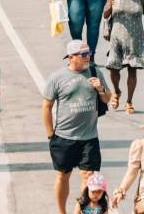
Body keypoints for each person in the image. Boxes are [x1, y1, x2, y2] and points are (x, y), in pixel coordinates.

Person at [42, 40, 110, 214]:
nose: (89, 57)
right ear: (71, 57)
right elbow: (46, 106)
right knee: (63, 176)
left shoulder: (95, 72)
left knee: (88, 178)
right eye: (84, 54)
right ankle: (61, 211)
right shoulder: (57, 78)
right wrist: (51, 135)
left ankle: (79, 212)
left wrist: (100, 89)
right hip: (64, 137)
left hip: (89, 137)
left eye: (89, 53)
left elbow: (107, 98)